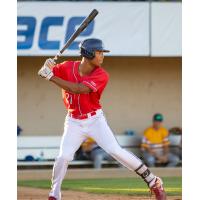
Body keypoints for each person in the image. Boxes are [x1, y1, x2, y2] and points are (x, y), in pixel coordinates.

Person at [38, 38, 166, 200]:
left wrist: (50, 76)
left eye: (102, 52)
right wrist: (47, 67)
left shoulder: (101, 75)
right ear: (88, 53)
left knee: (115, 150)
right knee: (64, 157)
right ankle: (54, 194)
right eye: (99, 52)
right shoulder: (67, 67)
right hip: (73, 121)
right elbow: (46, 71)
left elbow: (78, 89)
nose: (102, 56)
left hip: (94, 120)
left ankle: (153, 181)